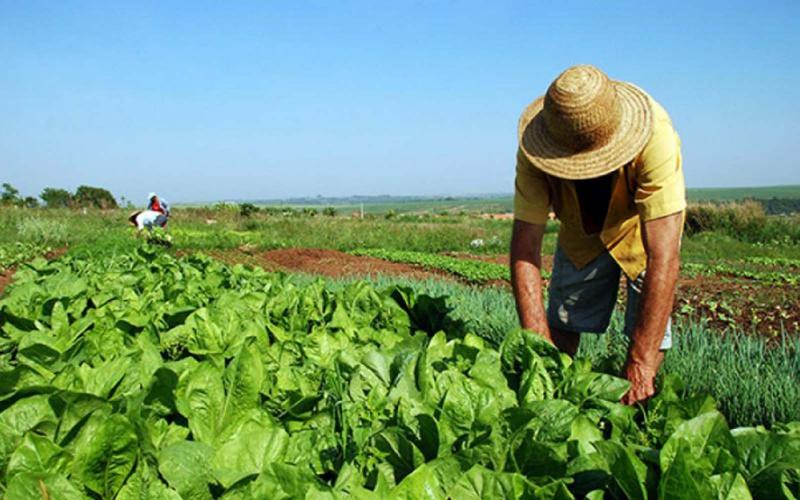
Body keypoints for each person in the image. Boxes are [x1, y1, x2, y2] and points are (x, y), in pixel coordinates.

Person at [510, 65, 685, 405]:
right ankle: (557, 400)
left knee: (646, 349)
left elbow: (665, 255)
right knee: (562, 321)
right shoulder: (535, 149)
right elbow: (525, 246)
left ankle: (635, 412)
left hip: (638, 226)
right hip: (579, 226)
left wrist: (641, 361)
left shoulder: (655, 135)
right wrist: (538, 351)